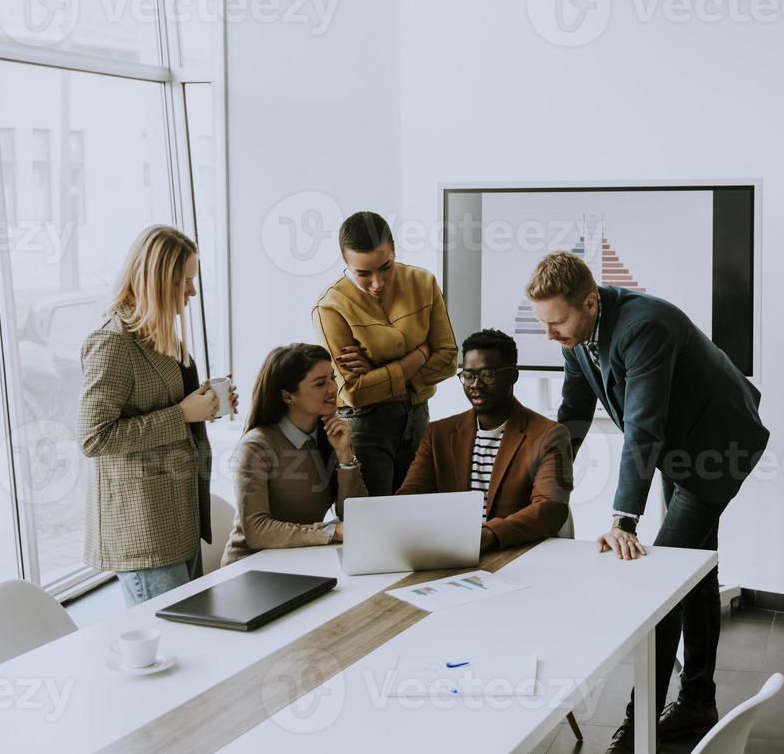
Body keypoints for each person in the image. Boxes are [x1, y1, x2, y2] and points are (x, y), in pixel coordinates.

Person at [526, 252, 770, 753]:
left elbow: (643, 427)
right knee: (693, 572)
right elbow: (573, 414)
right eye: (543, 325)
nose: (550, 336)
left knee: (659, 584)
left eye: (556, 324)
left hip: (717, 449)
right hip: (678, 450)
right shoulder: (577, 336)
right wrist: (546, 481)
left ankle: (640, 729)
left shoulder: (646, 326)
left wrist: (624, 519)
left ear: (590, 302)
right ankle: (699, 702)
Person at [79, 225, 238, 606]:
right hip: (145, 528)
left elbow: (168, 405)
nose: (192, 293)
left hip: (178, 516)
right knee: (177, 642)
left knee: (193, 638)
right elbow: (94, 438)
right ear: (157, 279)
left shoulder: (159, 334)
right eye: (185, 281)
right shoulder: (112, 343)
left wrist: (205, 405)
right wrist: (183, 413)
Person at [312, 211, 458, 498]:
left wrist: (376, 368)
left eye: (385, 267)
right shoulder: (330, 306)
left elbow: (449, 360)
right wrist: (418, 355)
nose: (377, 283)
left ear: (394, 250)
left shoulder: (423, 282)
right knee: (373, 523)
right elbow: (353, 391)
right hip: (364, 424)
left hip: (417, 417)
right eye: (363, 273)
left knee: (417, 517)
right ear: (346, 263)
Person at [397, 329, 572, 549]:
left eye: (488, 374)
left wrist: (489, 535)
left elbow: (551, 508)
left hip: (516, 553)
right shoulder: (438, 434)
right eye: (469, 375)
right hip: (450, 551)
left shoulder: (548, 435)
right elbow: (409, 498)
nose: (475, 385)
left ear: (512, 376)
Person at [221, 343, 367, 565]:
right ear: (288, 397)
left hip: (300, 559)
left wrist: (345, 456)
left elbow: (355, 517)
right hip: (250, 566)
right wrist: (331, 531)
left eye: (332, 378)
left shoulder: (331, 435)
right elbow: (256, 530)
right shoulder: (256, 446)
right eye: (320, 383)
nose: (332, 389)